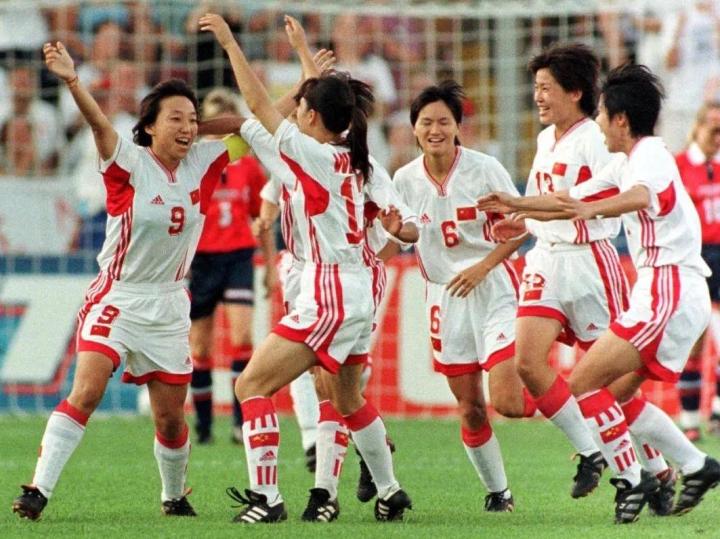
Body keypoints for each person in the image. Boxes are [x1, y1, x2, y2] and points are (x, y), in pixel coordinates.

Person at [12, 41, 249, 521]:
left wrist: (203, 124)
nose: (186, 127)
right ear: (150, 126)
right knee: (87, 391)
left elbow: (253, 125)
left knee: (170, 418)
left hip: (169, 304)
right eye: (175, 118)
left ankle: (174, 496)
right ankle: (38, 489)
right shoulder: (128, 162)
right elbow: (100, 124)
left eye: (191, 119)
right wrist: (72, 80)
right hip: (118, 296)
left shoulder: (205, 162)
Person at [481, 64, 720, 524]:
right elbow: (568, 201)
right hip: (667, 290)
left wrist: (593, 210)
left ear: (621, 120)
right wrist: (517, 206)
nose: (599, 121)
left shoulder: (648, 155)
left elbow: (640, 197)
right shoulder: (626, 160)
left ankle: (632, 478)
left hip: (667, 287)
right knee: (617, 394)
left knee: (585, 383)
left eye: (604, 114)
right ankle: (693, 466)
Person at [200, 13, 414, 523]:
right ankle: (389, 491)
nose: (294, 111)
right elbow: (408, 226)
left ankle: (267, 500)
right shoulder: (359, 160)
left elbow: (256, 108)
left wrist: (230, 42)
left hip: (329, 290)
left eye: (301, 106)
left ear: (312, 117)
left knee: (250, 386)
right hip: (359, 289)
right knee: (345, 397)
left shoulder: (310, 154)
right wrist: (400, 229)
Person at [482, 43, 628, 500]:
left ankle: (658, 471)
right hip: (545, 259)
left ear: (576, 92)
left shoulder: (597, 140)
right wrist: (521, 221)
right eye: (536, 87)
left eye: (546, 88)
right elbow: (541, 201)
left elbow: (582, 203)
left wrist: (520, 205)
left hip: (588, 260)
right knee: (527, 362)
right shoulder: (546, 139)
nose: (538, 97)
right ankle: (590, 451)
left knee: (613, 380)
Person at [393, 80, 535, 513]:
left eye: (443, 121)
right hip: (444, 298)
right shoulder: (404, 179)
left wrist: (483, 266)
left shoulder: (484, 169)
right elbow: (403, 234)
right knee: (470, 406)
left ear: (458, 127)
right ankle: (499, 493)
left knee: (508, 402)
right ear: (414, 128)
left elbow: (521, 228)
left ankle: (574, 401)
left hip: (492, 289)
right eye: (426, 122)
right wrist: (391, 236)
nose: (435, 130)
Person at [188, 87, 277, 445]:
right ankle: (204, 427)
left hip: (239, 256)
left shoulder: (249, 167)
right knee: (200, 348)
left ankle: (242, 424)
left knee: (242, 338)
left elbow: (262, 218)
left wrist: (271, 266)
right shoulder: (194, 164)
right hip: (201, 260)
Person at [675, 101, 720, 440]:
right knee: (693, 340)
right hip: (694, 257)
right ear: (699, 127)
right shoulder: (679, 166)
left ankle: (717, 413)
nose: (718, 136)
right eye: (714, 128)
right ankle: (690, 420)